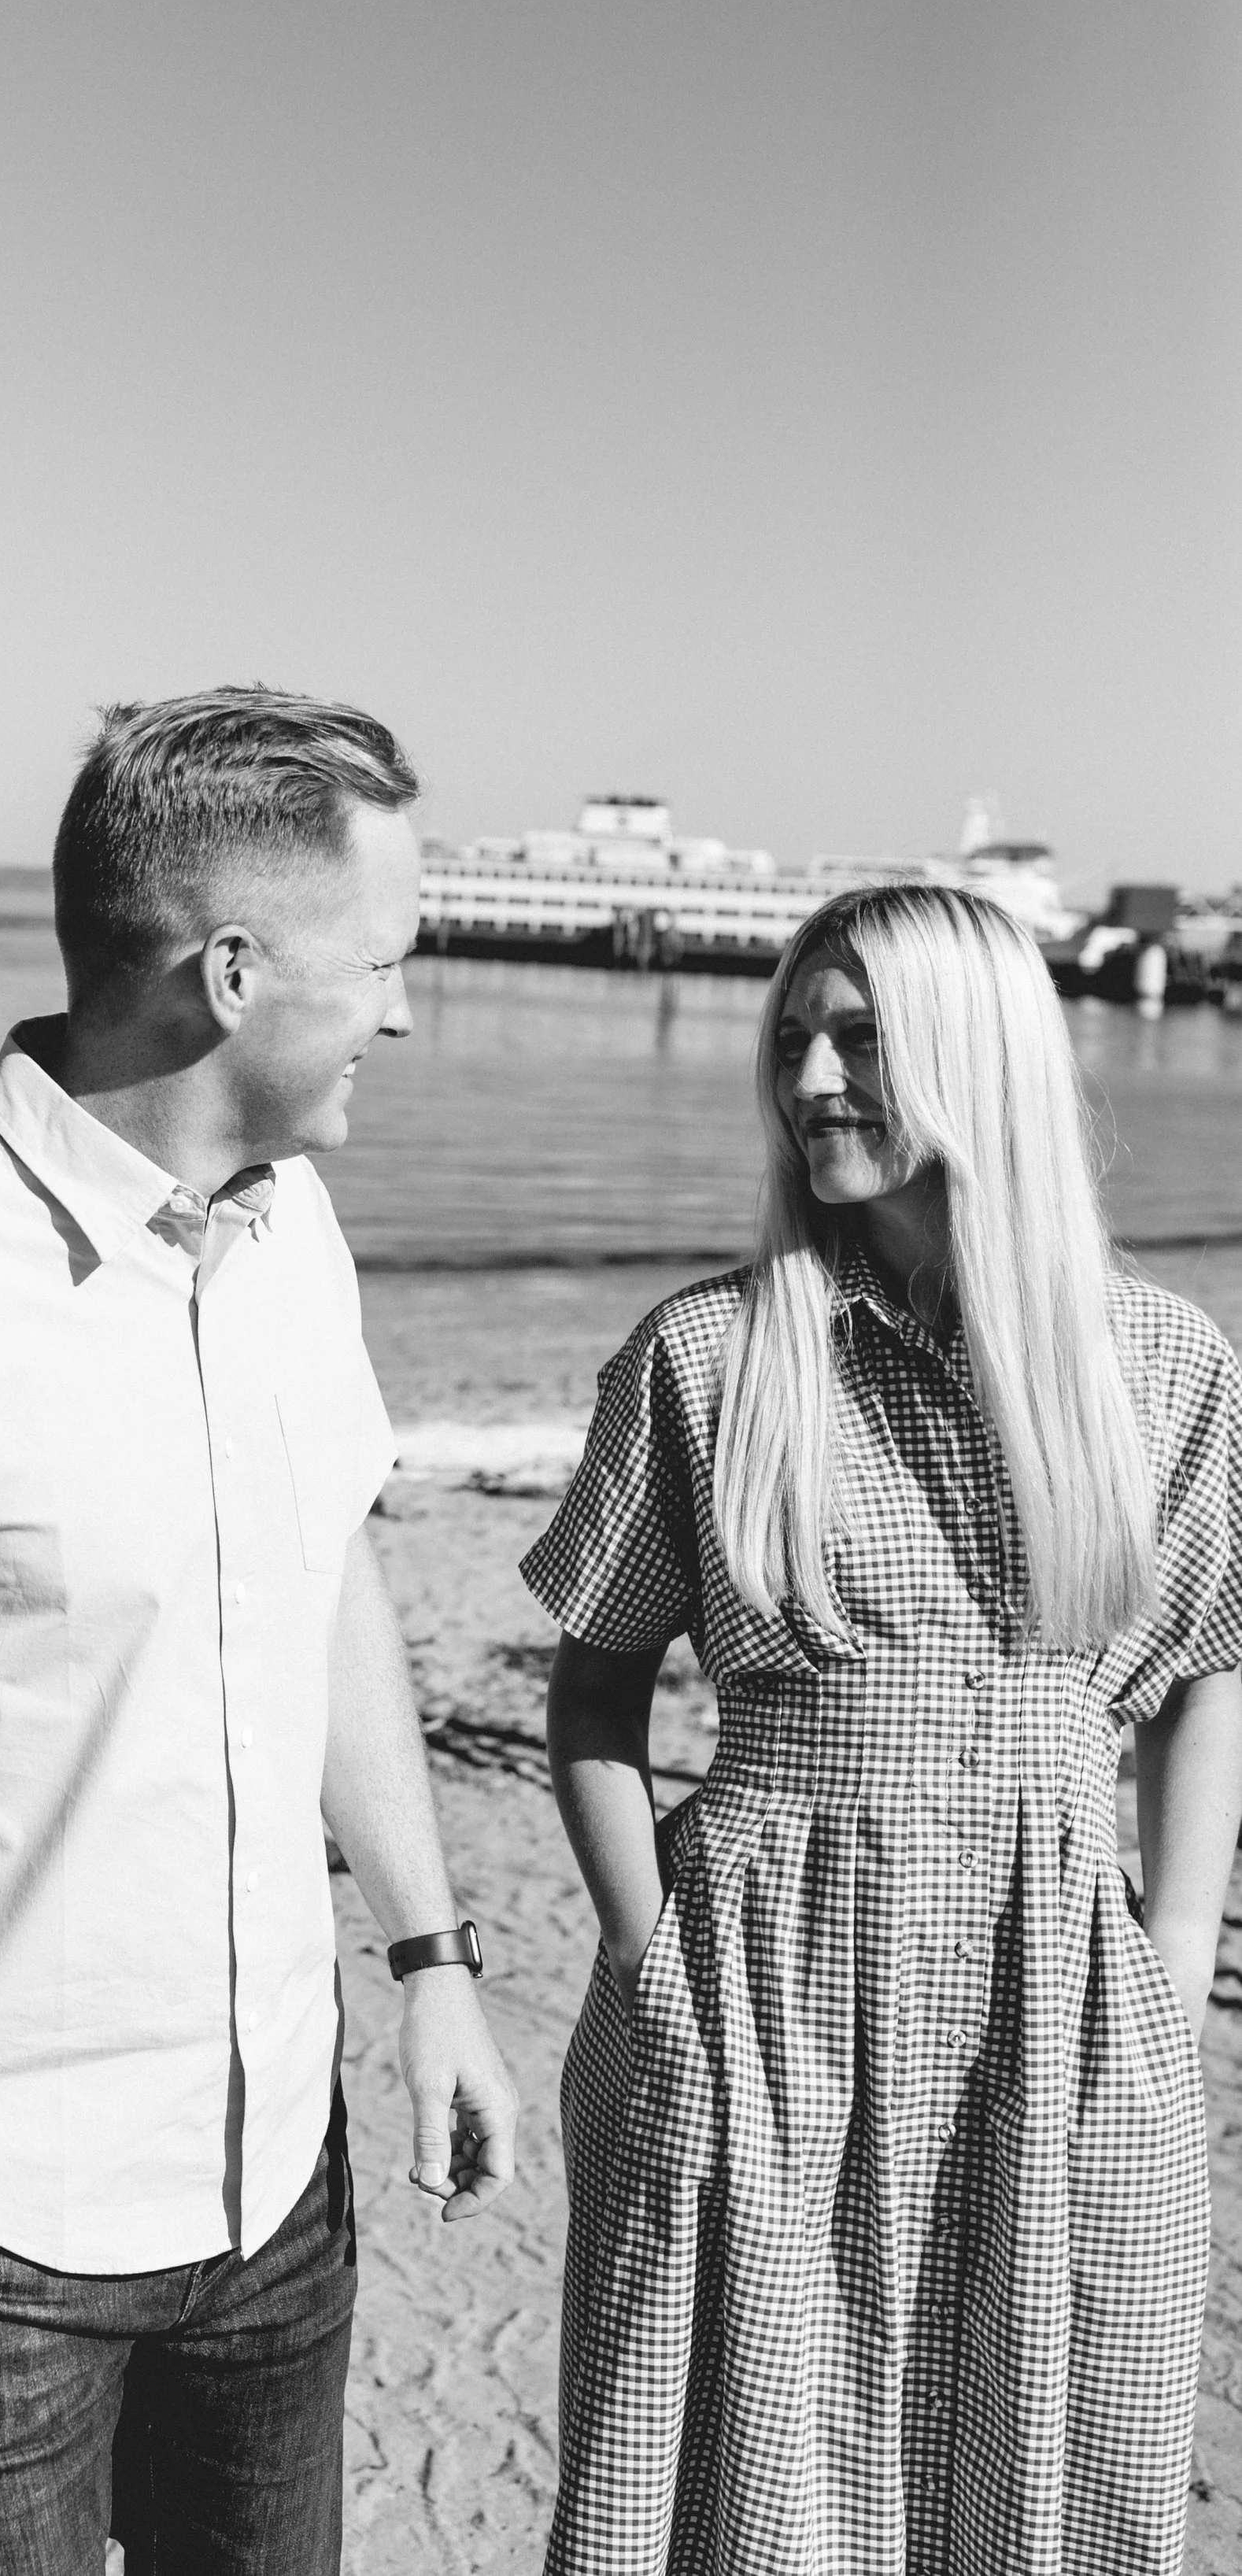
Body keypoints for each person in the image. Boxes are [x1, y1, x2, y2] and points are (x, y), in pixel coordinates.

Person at [0, 685, 517, 2575]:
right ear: (229, 974)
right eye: (379, 961)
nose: (400, 1008)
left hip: (276, 2180)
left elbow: (330, 1585)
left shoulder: (297, 1235)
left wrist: (429, 1955)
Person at [527, 882, 1242, 2576]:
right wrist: (651, 1969)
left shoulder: (1159, 1366)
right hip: (751, 1980)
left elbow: (1206, 1665)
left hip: (1060, 1981)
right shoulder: (706, 1357)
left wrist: (1169, 1949)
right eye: (792, 1040)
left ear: (974, 1060)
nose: (810, 1079)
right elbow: (593, 1691)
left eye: (859, 1037)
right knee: (731, 2487)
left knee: (1064, 2479)